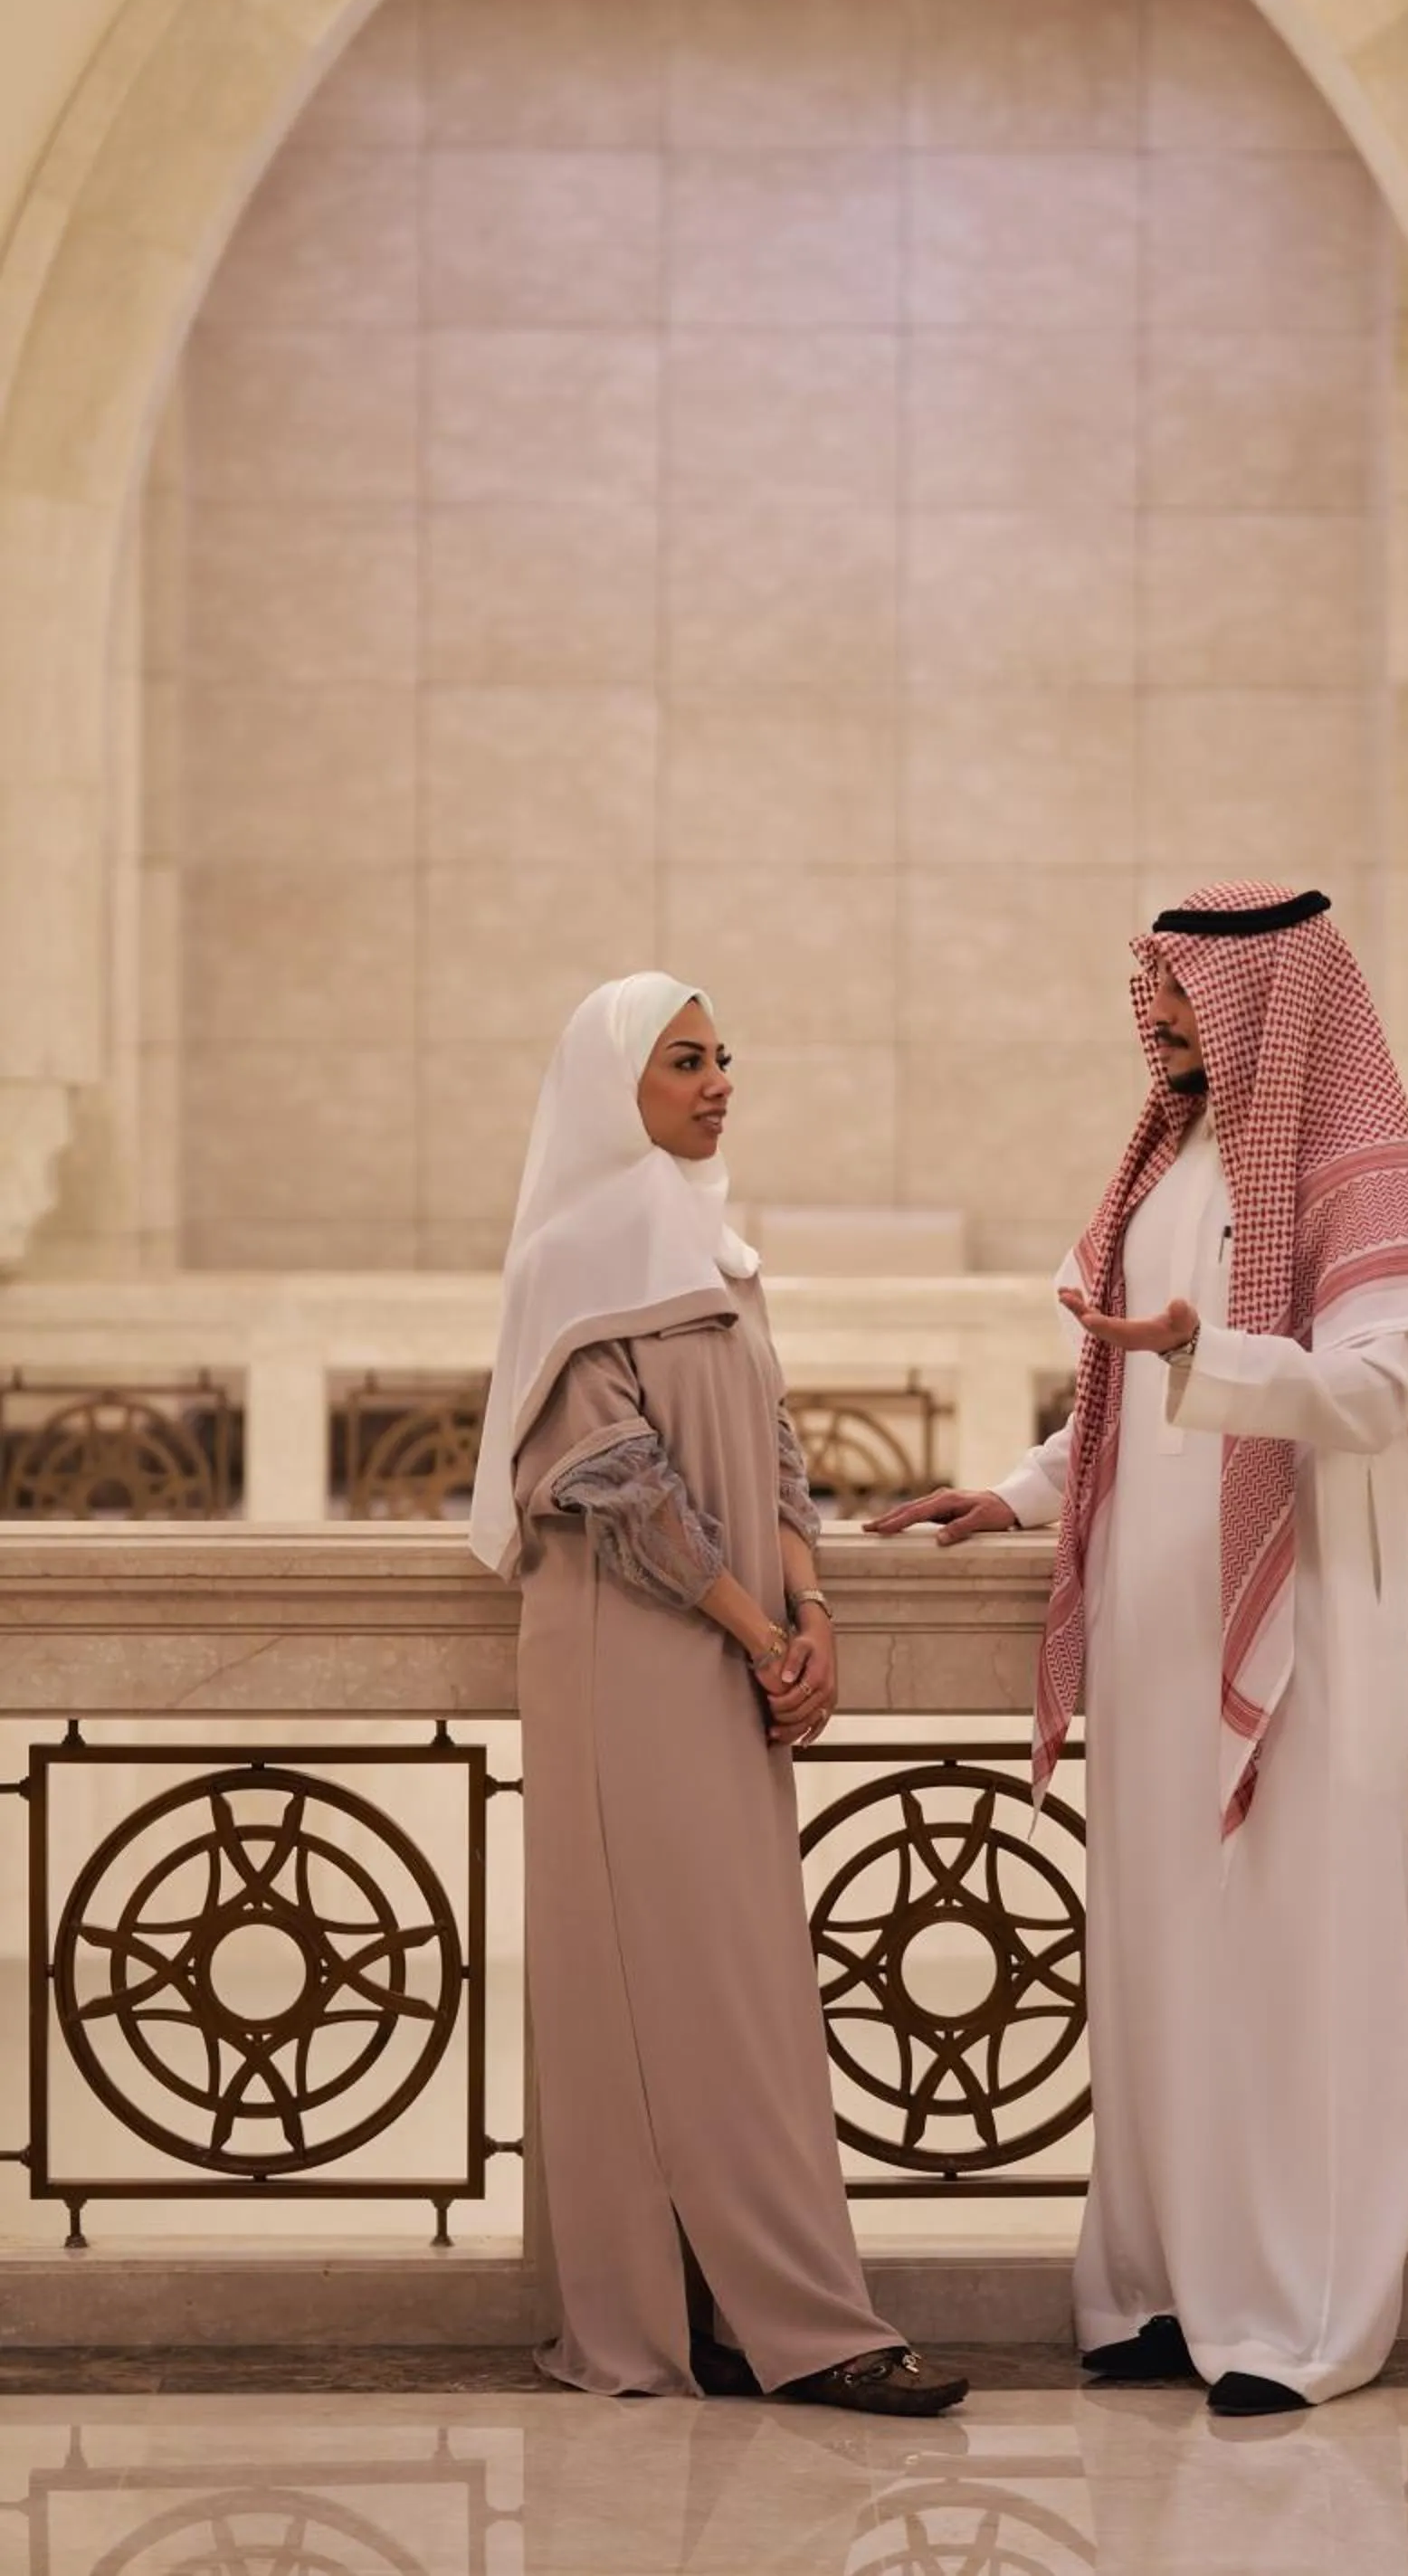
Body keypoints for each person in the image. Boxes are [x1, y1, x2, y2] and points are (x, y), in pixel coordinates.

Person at [871, 885, 1408, 2412]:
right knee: (1159, 1949)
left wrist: (1198, 1356)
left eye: (1177, 989)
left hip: (1302, 1626)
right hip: (1154, 1624)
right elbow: (1116, 1396)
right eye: (1141, 985)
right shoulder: (1165, 1161)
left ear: (1268, 1006)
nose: (1151, 1013)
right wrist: (1025, 1496)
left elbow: (1373, 1395)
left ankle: (1293, 2311)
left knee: (1289, 1958)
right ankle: (1158, 2286)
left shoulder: (1356, 1171)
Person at [471, 972, 966, 2416]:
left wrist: (812, 1606)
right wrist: (760, 1630)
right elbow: (614, 1485)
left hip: (734, 1649)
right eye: (685, 1061)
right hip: (629, 1657)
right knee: (662, 1987)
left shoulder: (716, 1251)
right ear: (612, 1087)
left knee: (739, 1985)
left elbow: (779, 1444)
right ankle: (774, 2324)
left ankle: (753, 2313)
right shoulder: (572, 1258)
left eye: (723, 1056)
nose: (718, 1080)